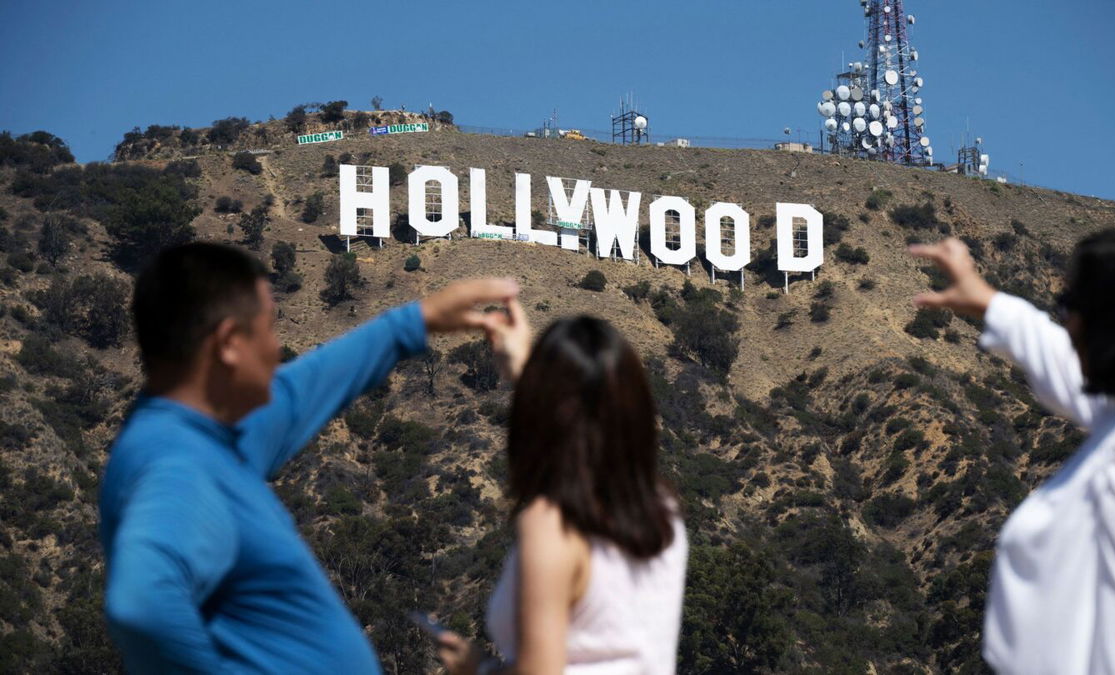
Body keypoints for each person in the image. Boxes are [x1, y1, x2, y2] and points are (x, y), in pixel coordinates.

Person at [100, 241, 517, 673]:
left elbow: (301, 392)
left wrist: (414, 323)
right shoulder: (178, 464)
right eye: (270, 327)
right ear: (228, 343)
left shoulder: (207, 435)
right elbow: (142, 603)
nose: (278, 349)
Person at [911, 230, 1115, 674]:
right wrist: (988, 300)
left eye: (1069, 307)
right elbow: (1064, 366)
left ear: (1104, 324)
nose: (1065, 323)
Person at [435, 305, 688, 675]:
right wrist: (524, 367)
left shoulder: (552, 526)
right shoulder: (662, 511)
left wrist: (478, 669)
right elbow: (586, 424)